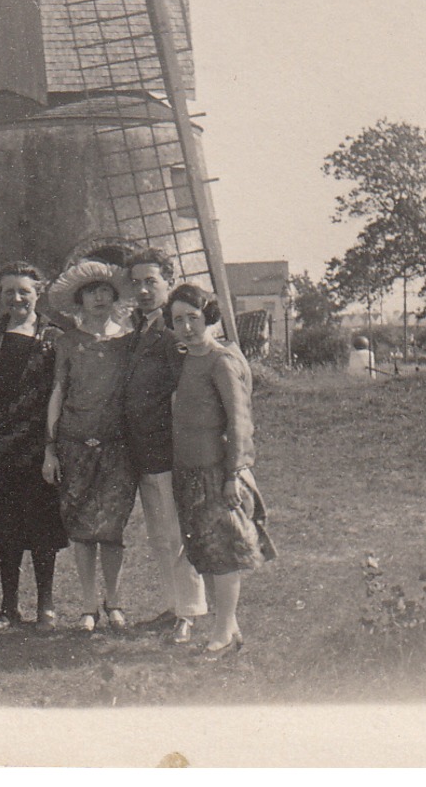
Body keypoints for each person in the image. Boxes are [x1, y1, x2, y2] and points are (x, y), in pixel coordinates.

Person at [167, 282, 276, 657]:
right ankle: (230, 627)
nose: (185, 327)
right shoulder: (186, 359)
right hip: (188, 473)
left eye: (193, 318)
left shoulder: (222, 360)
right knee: (204, 553)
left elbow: (240, 422)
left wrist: (233, 476)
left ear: (208, 317)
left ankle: (223, 630)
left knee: (225, 552)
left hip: (217, 473)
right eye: (177, 320)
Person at [0, 262, 67, 632]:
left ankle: (46, 606)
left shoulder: (55, 336)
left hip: (38, 448)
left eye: (24, 291)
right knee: (6, 530)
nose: (17, 298)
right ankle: (8, 605)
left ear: (39, 292)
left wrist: (55, 443)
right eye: (9, 291)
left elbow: (61, 392)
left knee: (42, 529)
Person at [42, 259, 139, 633]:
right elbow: (58, 392)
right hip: (74, 443)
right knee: (82, 526)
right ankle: (87, 605)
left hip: (117, 446)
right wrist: (50, 448)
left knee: (112, 527)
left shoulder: (127, 341)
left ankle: (113, 601)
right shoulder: (67, 343)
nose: (99, 298)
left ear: (114, 298)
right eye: (91, 292)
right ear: (78, 299)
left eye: (105, 291)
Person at [120, 248, 208, 643]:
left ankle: (188, 614)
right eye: (136, 282)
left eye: (150, 282)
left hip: (169, 449)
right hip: (143, 450)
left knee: (177, 534)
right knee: (159, 535)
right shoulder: (140, 328)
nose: (142, 290)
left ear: (168, 283)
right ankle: (173, 606)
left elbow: (187, 391)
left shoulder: (175, 332)